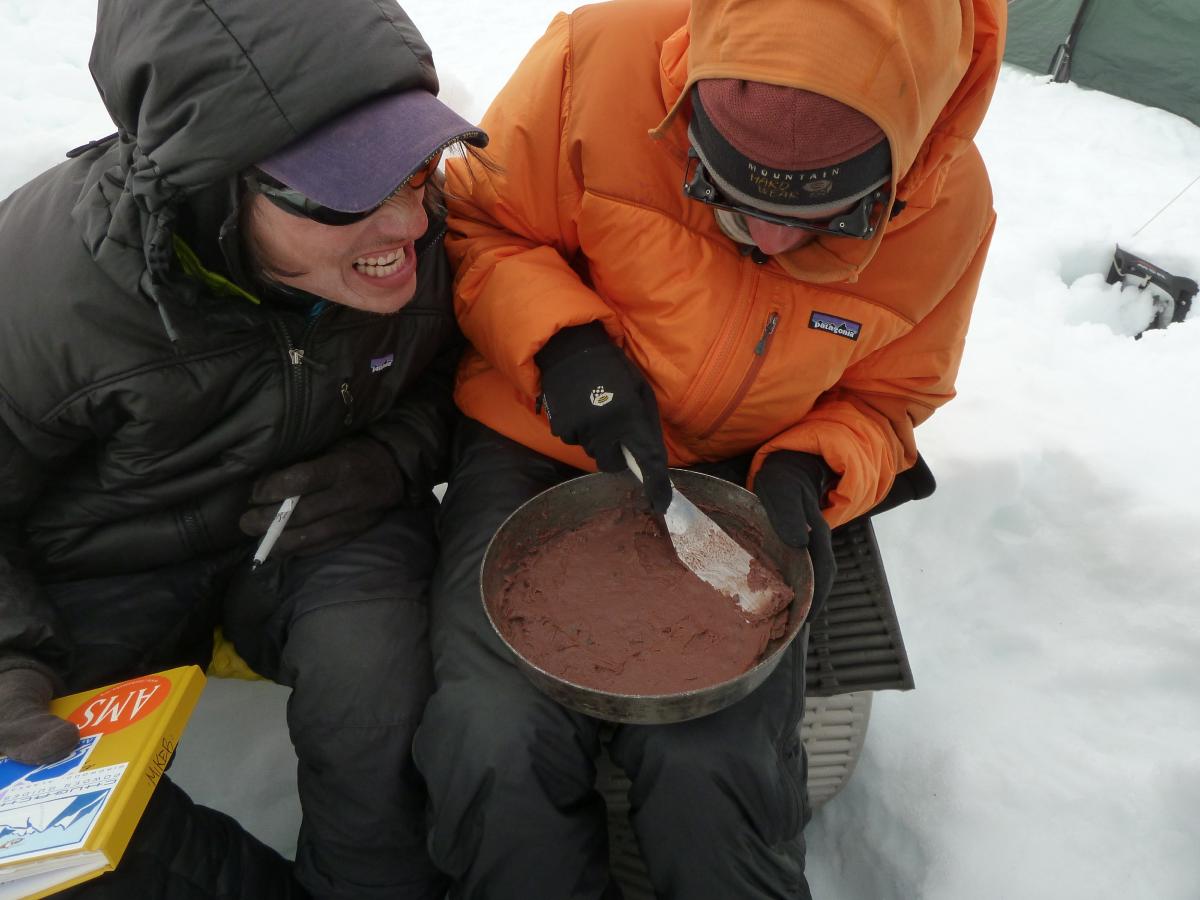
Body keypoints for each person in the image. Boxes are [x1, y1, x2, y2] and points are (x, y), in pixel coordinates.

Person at [413, 0, 1006, 896]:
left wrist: (816, 460)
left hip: (744, 476)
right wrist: (565, 348)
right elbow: (477, 221)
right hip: (545, 437)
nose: (768, 241)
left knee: (716, 767)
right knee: (493, 736)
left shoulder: (950, 202)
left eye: (824, 220)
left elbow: (893, 398)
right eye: (729, 198)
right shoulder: (595, 65)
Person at [0, 0, 486, 897]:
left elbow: (471, 376)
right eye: (350, 191)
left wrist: (392, 458)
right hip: (103, 568)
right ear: (217, 184)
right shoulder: (49, 287)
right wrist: (8, 664)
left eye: (416, 167)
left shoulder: (434, 235)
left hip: (325, 523)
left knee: (380, 705)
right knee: (47, 834)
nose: (408, 224)